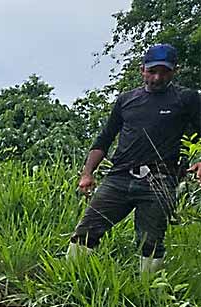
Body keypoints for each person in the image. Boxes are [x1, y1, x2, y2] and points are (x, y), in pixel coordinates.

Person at [69, 43, 201, 273]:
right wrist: (87, 174)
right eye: (152, 71)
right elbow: (105, 138)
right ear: (142, 70)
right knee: (86, 230)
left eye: (164, 71)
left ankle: (147, 294)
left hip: (160, 180)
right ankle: (70, 280)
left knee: (150, 242)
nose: (158, 77)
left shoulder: (186, 99)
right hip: (119, 177)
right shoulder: (126, 100)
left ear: (174, 71)